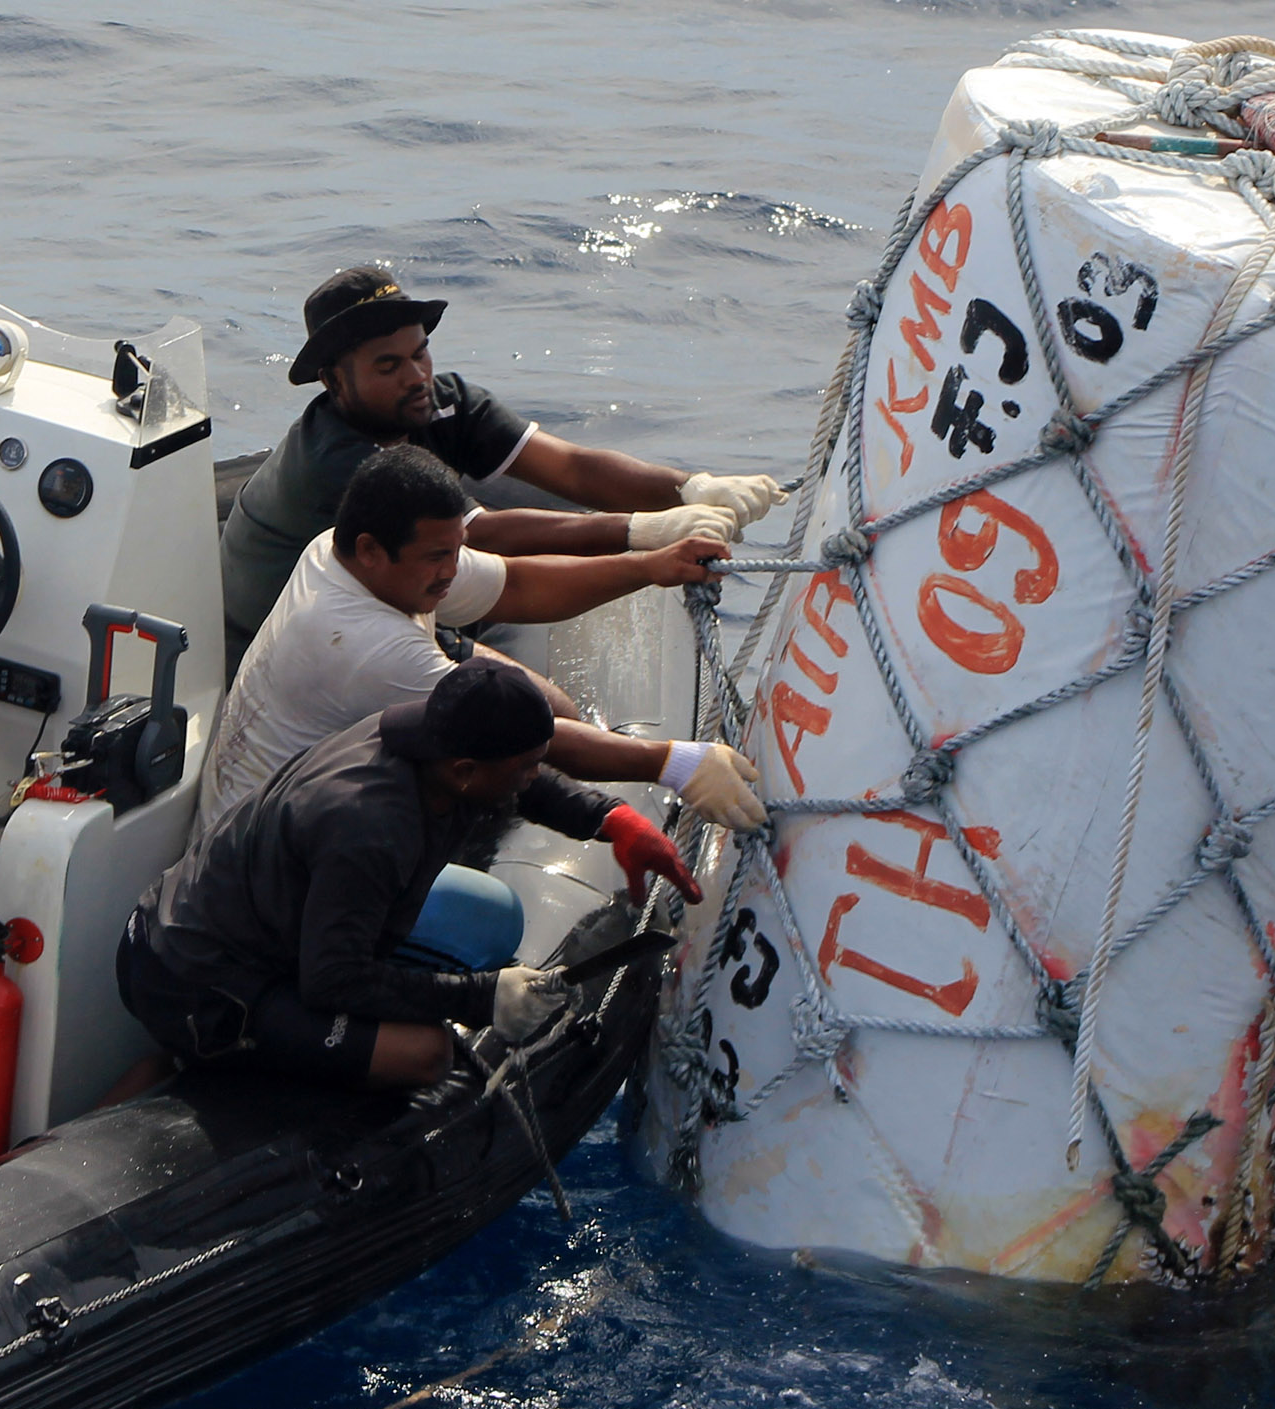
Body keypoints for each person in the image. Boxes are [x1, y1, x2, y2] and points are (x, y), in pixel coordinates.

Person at [119, 661, 694, 1092]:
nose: (533, 777)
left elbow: (524, 782)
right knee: (424, 1052)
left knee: (489, 916)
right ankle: (185, 1068)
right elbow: (332, 981)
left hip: (261, 915)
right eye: (524, 767)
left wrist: (611, 821)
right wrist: (480, 997)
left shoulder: (426, 740)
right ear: (465, 772)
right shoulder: (368, 828)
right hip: (197, 978)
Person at [197, 444, 771, 841]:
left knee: (545, 706)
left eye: (455, 551)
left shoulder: (337, 552)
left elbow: (516, 584)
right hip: (274, 853)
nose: (451, 570)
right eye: (436, 557)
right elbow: (516, 732)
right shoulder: (360, 644)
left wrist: (649, 564)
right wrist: (677, 764)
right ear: (372, 549)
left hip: (314, 789)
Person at [218, 263, 793, 656]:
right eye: (388, 367)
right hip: (289, 635)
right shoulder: (338, 462)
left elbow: (570, 469)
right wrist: (645, 534)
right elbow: (484, 536)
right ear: (333, 382)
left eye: (419, 354)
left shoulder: (439, 403)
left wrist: (692, 488)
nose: (417, 376)